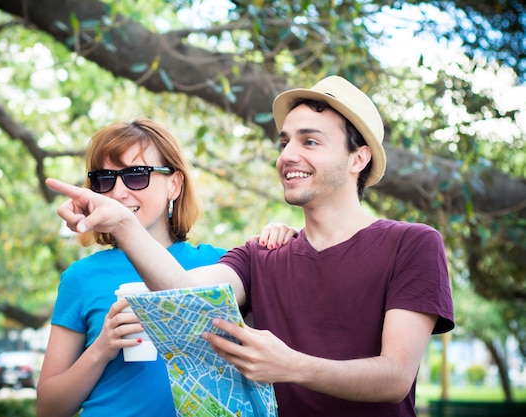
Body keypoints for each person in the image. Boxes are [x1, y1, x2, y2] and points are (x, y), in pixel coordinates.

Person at [46, 76, 455, 417]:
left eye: (309, 142)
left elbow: (396, 377)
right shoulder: (261, 255)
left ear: (358, 159)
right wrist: (121, 221)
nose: (288, 155)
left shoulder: (412, 244)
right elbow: (183, 295)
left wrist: (292, 366)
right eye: (285, 142)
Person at [36, 118, 297, 417]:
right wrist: (102, 348)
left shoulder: (222, 265)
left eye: (136, 175)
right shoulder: (80, 278)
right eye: (105, 179)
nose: (118, 193)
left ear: (174, 184)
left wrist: (282, 239)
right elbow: (48, 408)